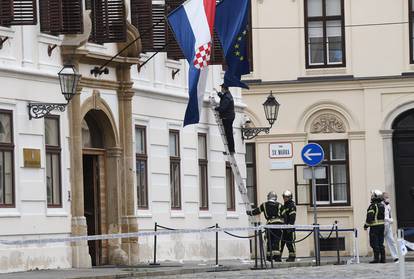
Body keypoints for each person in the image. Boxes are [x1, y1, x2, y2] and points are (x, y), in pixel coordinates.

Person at [247, 191, 284, 262]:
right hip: (278, 225)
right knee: (277, 241)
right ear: (275, 198)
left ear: (268, 197)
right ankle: (277, 257)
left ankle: (269, 257)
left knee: (269, 241)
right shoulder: (280, 205)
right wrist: (285, 224)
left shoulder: (264, 205)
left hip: (269, 225)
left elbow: (257, 211)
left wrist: (249, 213)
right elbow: (284, 215)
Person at [364, 189, 386, 264]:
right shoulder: (382, 205)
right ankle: (383, 259)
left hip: (374, 227)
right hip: (382, 226)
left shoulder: (373, 206)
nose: (371, 197)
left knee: (374, 243)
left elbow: (370, 217)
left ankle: (376, 259)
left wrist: (366, 225)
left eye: (372, 195)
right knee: (381, 243)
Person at [215, 84, 235, 154]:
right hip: (230, 116)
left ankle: (231, 150)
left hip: (227, 117)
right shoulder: (228, 95)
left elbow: (223, 108)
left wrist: (216, 108)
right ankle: (231, 150)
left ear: (224, 88)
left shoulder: (227, 97)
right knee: (229, 133)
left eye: (221, 88)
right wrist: (219, 94)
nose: (221, 89)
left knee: (228, 134)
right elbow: (224, 98)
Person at [280, 190, 296, 262]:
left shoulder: (291, 205)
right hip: (284, 227)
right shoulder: (285, 205)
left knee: (290, 243)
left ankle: (292, 257)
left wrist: (290, 225)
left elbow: (292, 216)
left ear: (290, 197)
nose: (284, 198)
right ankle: (278, 256)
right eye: (284, 197)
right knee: (282, 242)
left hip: (289, 227)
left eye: (286, 197)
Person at [382, 192, 399, 262]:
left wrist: (391, 219)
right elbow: (382, 216)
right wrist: (389, 220)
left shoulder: (388, 206)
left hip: (388, 226)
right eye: (386, 197)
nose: (387, 198)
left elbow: (390, 214)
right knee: (380, 242)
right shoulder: (381, 205)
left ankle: (396, 257)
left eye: (388, 197)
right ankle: (381, 257)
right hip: (382, 225)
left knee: (391, 241)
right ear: (383, 198)